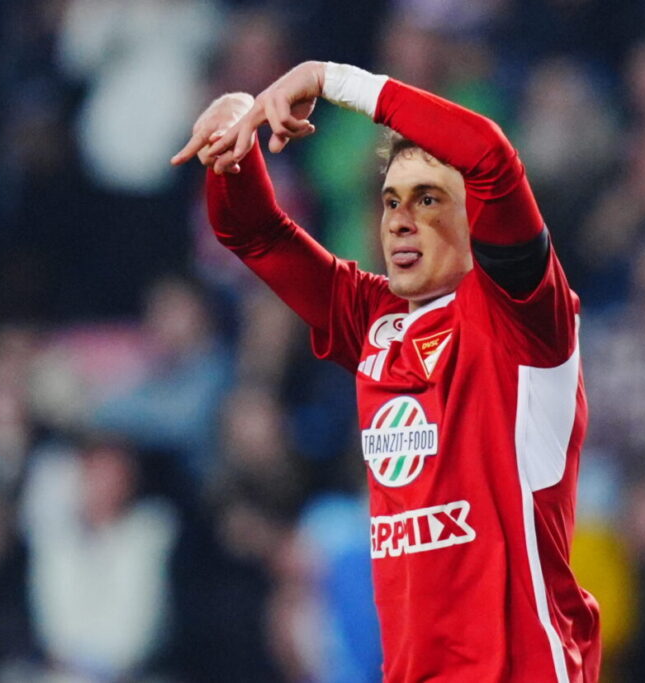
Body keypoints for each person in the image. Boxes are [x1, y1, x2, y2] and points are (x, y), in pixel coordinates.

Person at [172, 60, 601, 682]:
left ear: (475, 219)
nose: (400, 220)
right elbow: (254, 234)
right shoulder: (374, 320)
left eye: (428, 199)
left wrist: (327, 79)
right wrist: (232, 145)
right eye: (391, 201)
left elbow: (489, 155)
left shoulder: (526, 314)